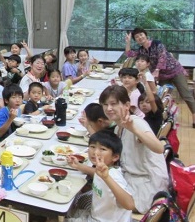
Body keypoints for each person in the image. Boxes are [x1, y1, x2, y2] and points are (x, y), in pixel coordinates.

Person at [98, 85, 168, 213]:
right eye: (105, 104)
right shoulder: (118, 127)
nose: (108, 108)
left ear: (127, 105)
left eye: (113, 104)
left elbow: (159, 148)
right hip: (133, 179)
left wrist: (134, 130)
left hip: (147, 186)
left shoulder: (135, 123)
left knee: (100, 199)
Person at [125, 27, 195, 127]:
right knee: (162, 97)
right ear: (136, 40)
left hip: (175, 71)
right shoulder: (141, 50)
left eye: (141, 34)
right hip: (162, 76)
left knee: (186, 94)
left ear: (145, 35)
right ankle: (165, 117)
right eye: (137, 37)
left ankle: (194, 115)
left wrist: (157, 70)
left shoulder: (157, 43)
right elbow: (129, 54)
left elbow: (163, 57)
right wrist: (128, 42)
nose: (140, 37)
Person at [66, 130, 135, 222]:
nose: (95, 152)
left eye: (102, 149)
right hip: (96, 216)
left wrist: (106, 178)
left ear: (115, 157)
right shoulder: (105, 169)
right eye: (92, 147)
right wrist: (78, 165)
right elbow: (96, 173)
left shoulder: (113, 176)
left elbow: (129, 205)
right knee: (69, 209)